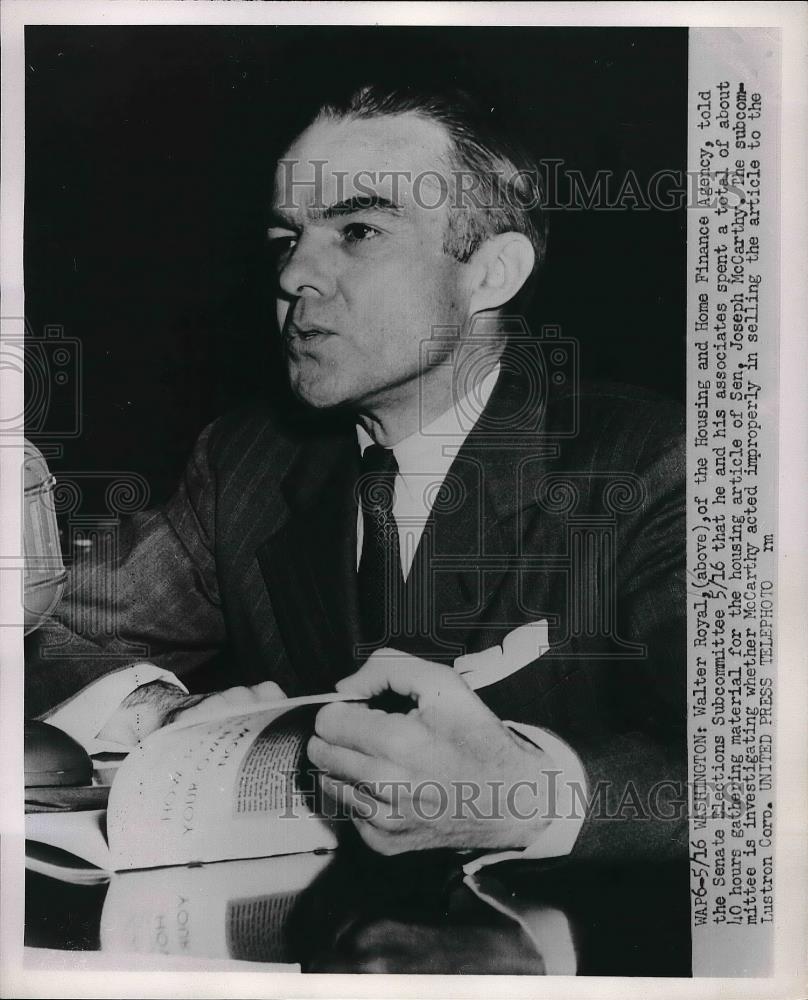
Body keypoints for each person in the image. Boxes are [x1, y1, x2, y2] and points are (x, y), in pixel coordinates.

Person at [27, 84, 687, 863]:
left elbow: (758, 774)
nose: (295, 275)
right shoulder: (248, 461)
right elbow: (41, 630)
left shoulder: (656, 464)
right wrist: (152, 711)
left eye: (359, 229)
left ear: (493, 272)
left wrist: (530, 800)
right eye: (287, 238)